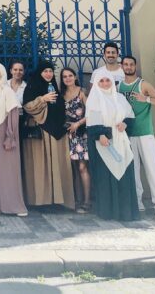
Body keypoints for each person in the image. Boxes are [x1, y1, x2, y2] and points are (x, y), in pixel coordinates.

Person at [118, 55, 155, 219]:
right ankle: (137, 201)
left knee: (152, 169)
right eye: (125, 64)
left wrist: (146, 98)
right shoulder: (119, 86)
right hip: (127, 134)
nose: (128, 67)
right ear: (122, 66)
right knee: (133, 170)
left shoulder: (143, 84)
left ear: (135, 66)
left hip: (145, 133)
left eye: (131, 64)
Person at [86, 68, 140, 221]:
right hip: (104, 143)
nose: (105, 83)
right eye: (101, 81)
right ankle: (109, 212)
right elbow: (92, 120)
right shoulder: (94, 99)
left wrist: (125, 124)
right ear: (97, 83)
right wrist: (100, 134)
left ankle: (125, 212)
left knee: (124, 175)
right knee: (106, 177)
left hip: (121, 141)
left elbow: (130, 116)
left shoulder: (120, 98)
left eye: (107, 80)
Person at [21, 61, 75, 210]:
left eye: (50, 71)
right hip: (41, 131)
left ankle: (58, 200)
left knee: (57, 165)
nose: (48, 74)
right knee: (41, 166)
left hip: (57, 131)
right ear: (39, 73)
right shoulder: (32, 87)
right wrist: (42, 99)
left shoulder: (55, 87)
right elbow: (27, 107)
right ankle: (42, 201)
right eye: (45, 71)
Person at [0, 63, 27, 216]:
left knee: (9, 170)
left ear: (2, 75)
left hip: (5, 134)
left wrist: (10, 136)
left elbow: (13, 114)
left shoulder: (6, 91)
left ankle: (15, 206)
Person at [61, 66, 91, 213]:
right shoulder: (61, 95)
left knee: (82, 167)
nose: (67, 78)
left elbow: (91, 113)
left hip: (81, 133)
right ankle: (76, 201)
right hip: (68, 135)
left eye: (70, 75)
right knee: (73, 169)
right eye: (64, 76)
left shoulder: (82, 92)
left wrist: (77, 124)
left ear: (75, 77)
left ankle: (87, 201)